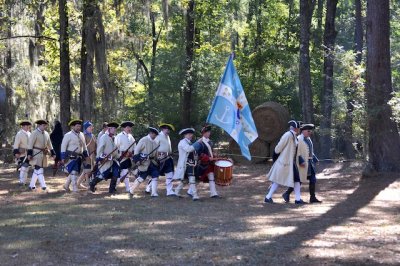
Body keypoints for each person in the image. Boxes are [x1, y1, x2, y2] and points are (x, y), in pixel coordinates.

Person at [264, 120, 307, 204]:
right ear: (295, 128)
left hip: (291, 163)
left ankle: (298, 199)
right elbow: (279, 147)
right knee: (277, 180)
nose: (299, 130)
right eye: (298, 128)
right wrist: (275, 157)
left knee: (297, 180)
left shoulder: (294, 136)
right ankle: (268, 197)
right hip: (284, 162)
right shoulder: (287, 135)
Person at [282, 124, 321, 203]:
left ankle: (312, 198)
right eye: (308, 131)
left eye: (311, 131)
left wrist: (315, 159)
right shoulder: (299, 139)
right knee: (298, 181)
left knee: (313, 179)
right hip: (302, 164)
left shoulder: (308, 139)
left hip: (309, 163)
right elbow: (296, 152)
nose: (310, 132)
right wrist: (300, 161)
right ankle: (287, 193)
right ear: (303, 131)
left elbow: (310, 151)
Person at [146, 123, 176, 196]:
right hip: (159, 159)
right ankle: (148, 187)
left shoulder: (167, 137)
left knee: (170, 174)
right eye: (167, 129)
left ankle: (169, 191)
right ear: (163, 129)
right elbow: (154, 148)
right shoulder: (158, 136)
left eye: (169, 130)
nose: (168, 131)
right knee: (156, 175)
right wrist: (159, 156)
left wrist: (169, 153)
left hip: (168, 158)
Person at [89, 122, 120, 194]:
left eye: (115, 128)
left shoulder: (114, 137)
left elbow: (115, 149)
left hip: (113, 160)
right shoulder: (104, 137)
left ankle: (111, 189)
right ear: (109, 129)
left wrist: (118, 156)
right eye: (113, 128)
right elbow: (100, 149)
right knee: (102, 175)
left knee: (115, 173)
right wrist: (100, 158)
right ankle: (92, 183)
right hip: (105, 160)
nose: (115, 130)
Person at [129, 127, 160, 197]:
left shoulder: (155, 142)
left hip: (152, 163)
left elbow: (155, 154)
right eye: (154, 135)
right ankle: (132, 189)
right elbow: (136, 150)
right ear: (151, 133)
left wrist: (157, 160)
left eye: (156, 135)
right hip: (144, 163)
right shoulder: (144, 140)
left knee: (155, 176)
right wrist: (137, 160)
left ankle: (154, 193)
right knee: (142, 178)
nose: (155, 136)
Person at [173, 128, 202, 201]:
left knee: (185, 180)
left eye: (191, 134)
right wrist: (197, 143)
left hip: (190, 163)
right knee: (192, 178)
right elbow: (189, 149)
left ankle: (176, 192)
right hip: (186, 163)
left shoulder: (189, 142)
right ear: (185, 135)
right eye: (189, 134)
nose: (191, 135)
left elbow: (193, 152)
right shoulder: (182, 142)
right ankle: (195, 195)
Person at [60, 119, 89, 192]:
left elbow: (84, 145)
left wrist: (86, 154)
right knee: (73, 172)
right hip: (70, 156)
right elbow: (63, 146)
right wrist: (63, 157)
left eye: (79, 126)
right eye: (77, 126)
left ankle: (66, 185)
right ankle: (75, 188)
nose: (78, 127)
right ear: (73, 127)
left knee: (74, 171)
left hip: (79, 156)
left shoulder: (82, 134)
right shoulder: (68, 135)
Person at [27, 120, 56, 191]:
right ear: (39, 125)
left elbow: (50, 144)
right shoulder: (34, 133)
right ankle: (44, 186)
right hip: (35, 153)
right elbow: (30, 144)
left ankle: (31, 185)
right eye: (43, 125)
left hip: (43, 154)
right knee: (39, 169)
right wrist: (29, 154)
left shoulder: (46, 133)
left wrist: (53, 153)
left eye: (45, 125)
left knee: (37, 170)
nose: (45, 126)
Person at [195, 124, 219, 198]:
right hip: (203, 164)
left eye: (209, 132)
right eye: (207, 132)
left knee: (211, 178)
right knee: (198, 179)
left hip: (210, 164)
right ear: (203, 133)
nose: (209, 133)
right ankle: (191, 191)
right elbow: (199, 154)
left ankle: (213, 193)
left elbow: (212, 152)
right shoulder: (200, 142)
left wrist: (214, 156)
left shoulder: (210, 142)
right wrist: (208, 158)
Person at [115, 121, 136, 193]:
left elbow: (134, 147)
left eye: (130, 127)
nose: (129, 129)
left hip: (128, 158)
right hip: (121, 158)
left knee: (125, 172)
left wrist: (133, 154)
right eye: (127, 127)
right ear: (124, 128)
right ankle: (114, 186)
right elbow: (115, 147)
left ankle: (127, 188)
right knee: (121, 173)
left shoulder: (131, 137)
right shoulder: (119, 136)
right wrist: (121, 154)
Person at [77, 121, 97, 188]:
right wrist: (85, 155)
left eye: (92, 126)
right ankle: (88, 184)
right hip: (86, 156)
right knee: (87, 170)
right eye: (90, 127)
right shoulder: (83, 136)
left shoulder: (93, 136)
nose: (92, 128)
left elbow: (96, 146)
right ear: (86, 128)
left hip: (93, 156)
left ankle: (78, 183)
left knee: (89, 170)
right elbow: (82, 146)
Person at [13, 120, 32, 186]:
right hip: (22, 153)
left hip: (29, 153)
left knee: (26, 168)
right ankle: (21, 182)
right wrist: (16, 153)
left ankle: (24, 181)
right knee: (23, 167)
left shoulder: (30, 134)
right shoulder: (19, 134)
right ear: (23, 126)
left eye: (28, 126)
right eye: (26, 126)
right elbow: (16, 144)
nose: (28, 127)